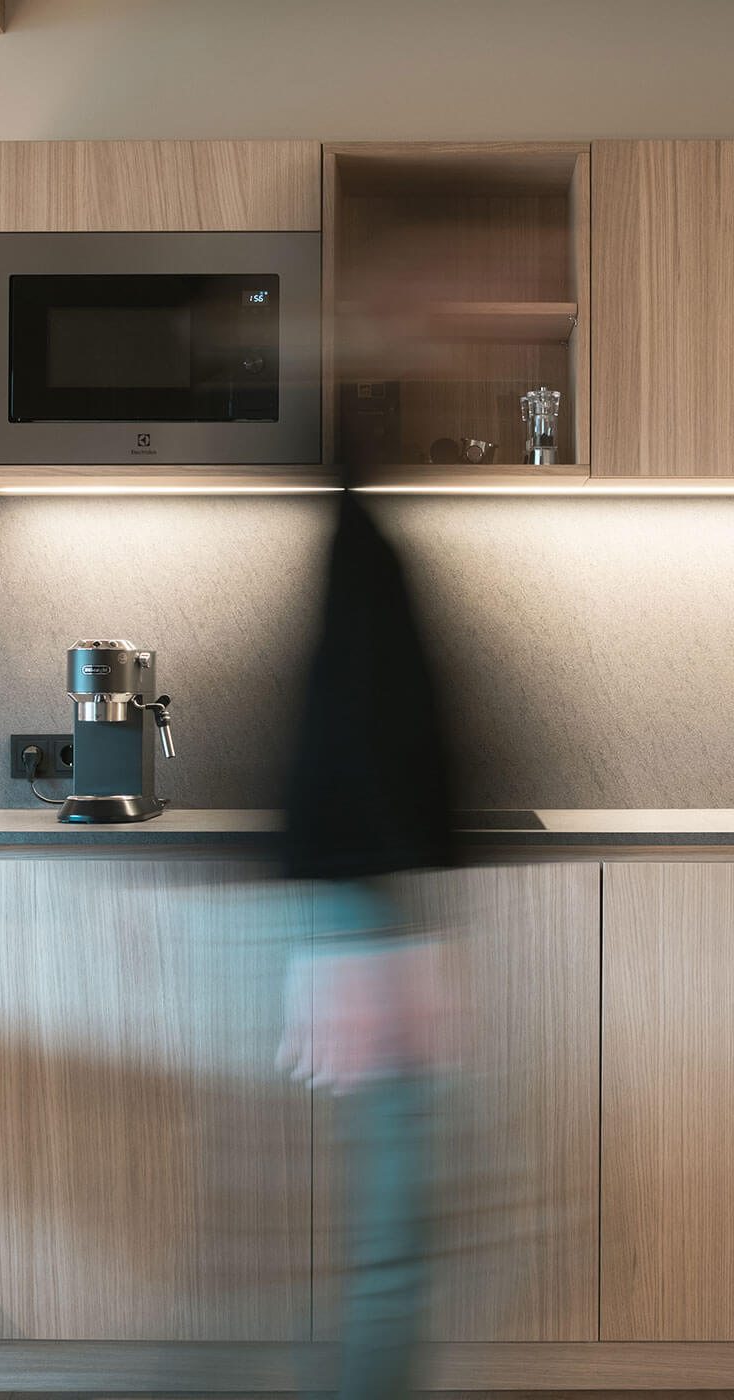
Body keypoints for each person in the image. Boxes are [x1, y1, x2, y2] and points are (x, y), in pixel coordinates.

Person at [276, 483, 460, 1400]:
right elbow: (349, 715)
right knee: (393, 1223)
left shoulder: (359, 514)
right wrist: (358, 943)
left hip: (366, 897)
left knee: (392, 1220)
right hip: (364, 902)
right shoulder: (356, 518)